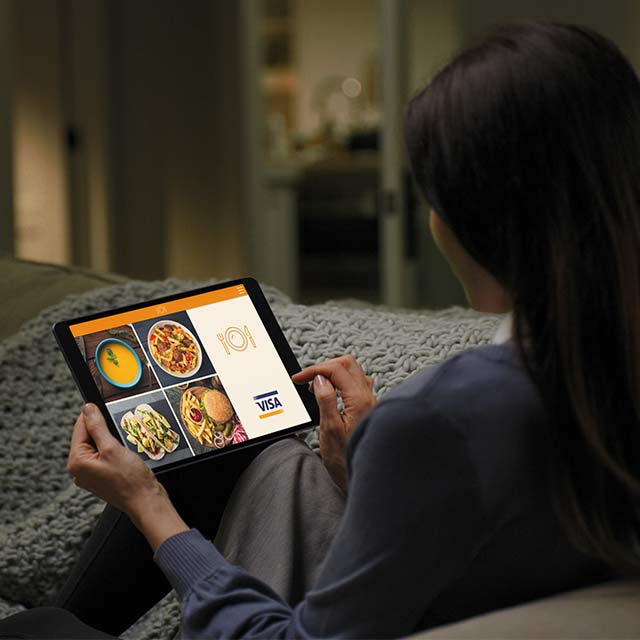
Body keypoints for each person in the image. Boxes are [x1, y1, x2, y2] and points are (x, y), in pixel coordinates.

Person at [2, 20, 640, 639]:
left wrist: (150, 507)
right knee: (243, 445)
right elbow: (497, 537)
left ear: (470, 219)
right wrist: (367, 472)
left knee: (39, 628)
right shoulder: (597, 369)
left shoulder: (439, 418)